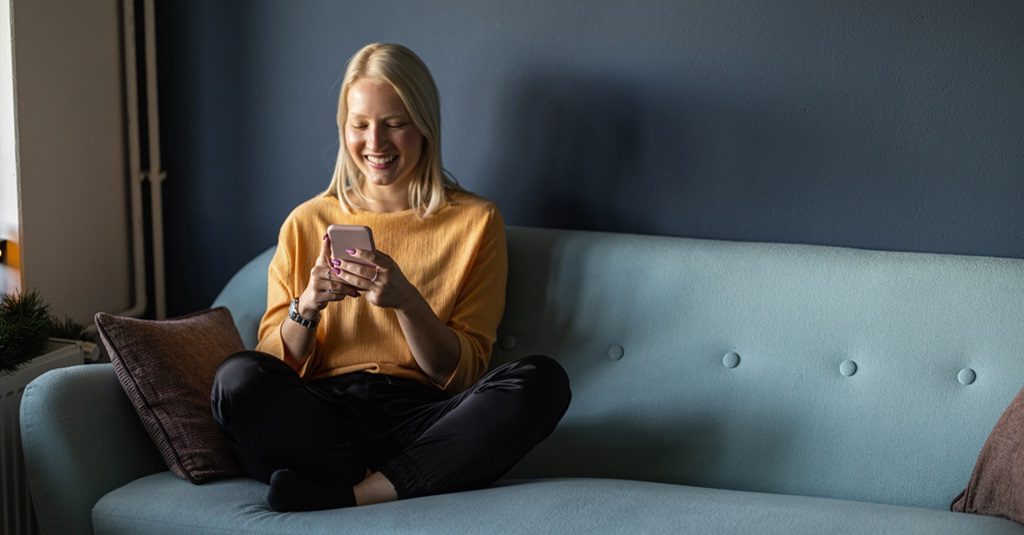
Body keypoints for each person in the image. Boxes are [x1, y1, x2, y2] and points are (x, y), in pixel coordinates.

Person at [210, 43, 571, 512]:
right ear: (344, 129)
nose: (375, 143)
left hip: (419, 418)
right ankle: (395, 482)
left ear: (423, 125)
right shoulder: (305, 221)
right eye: (360, 125)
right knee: (236, 377)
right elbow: (272, 367)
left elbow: (461, 374)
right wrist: (308, 306)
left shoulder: (477, 222)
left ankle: (356, 494)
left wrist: (407, 301)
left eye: (395, 124)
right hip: (321, 418)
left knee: (542, 381)